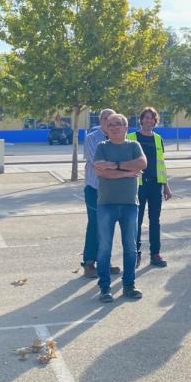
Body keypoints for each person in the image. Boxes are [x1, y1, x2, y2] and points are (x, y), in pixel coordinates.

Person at [93, 113, 147, 302]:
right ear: (106, 128)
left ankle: (129, 285)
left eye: (118, 124)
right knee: (105, 248)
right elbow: (100, 172)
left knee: (130, 248)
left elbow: (142, 164)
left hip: (130, 204)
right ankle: (105, 288)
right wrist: (127, 173)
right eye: (110, 124)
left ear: (126, 127)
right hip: (106, 204)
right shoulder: (102, 147)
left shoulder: (133, 145)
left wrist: (114, 166)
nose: (114, 127)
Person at [127, 107, 173, 267]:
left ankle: (155, 254)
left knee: (155, 220)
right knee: (136, 221)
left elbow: (161, 164)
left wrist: (166, 186)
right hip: (137, 185)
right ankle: (135, 254)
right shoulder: (131, 137)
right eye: (145, 117)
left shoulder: (158, 139)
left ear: (155, 121)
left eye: (151, 118)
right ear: (141, 120)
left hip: (155, 185)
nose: (148, 120)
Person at [80, 109, 120, 279]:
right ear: (100, 120)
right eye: (105, 118)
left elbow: (123, 158)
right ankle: (89, 262)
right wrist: (118, 164)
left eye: (111, 119)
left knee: (108, 225)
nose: (108, 122)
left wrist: (114, 164)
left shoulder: (117, 139)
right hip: (94, 188)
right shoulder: (91, 138)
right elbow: (97, 162)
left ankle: (104, 261)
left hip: (112, 188)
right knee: (95, 223)